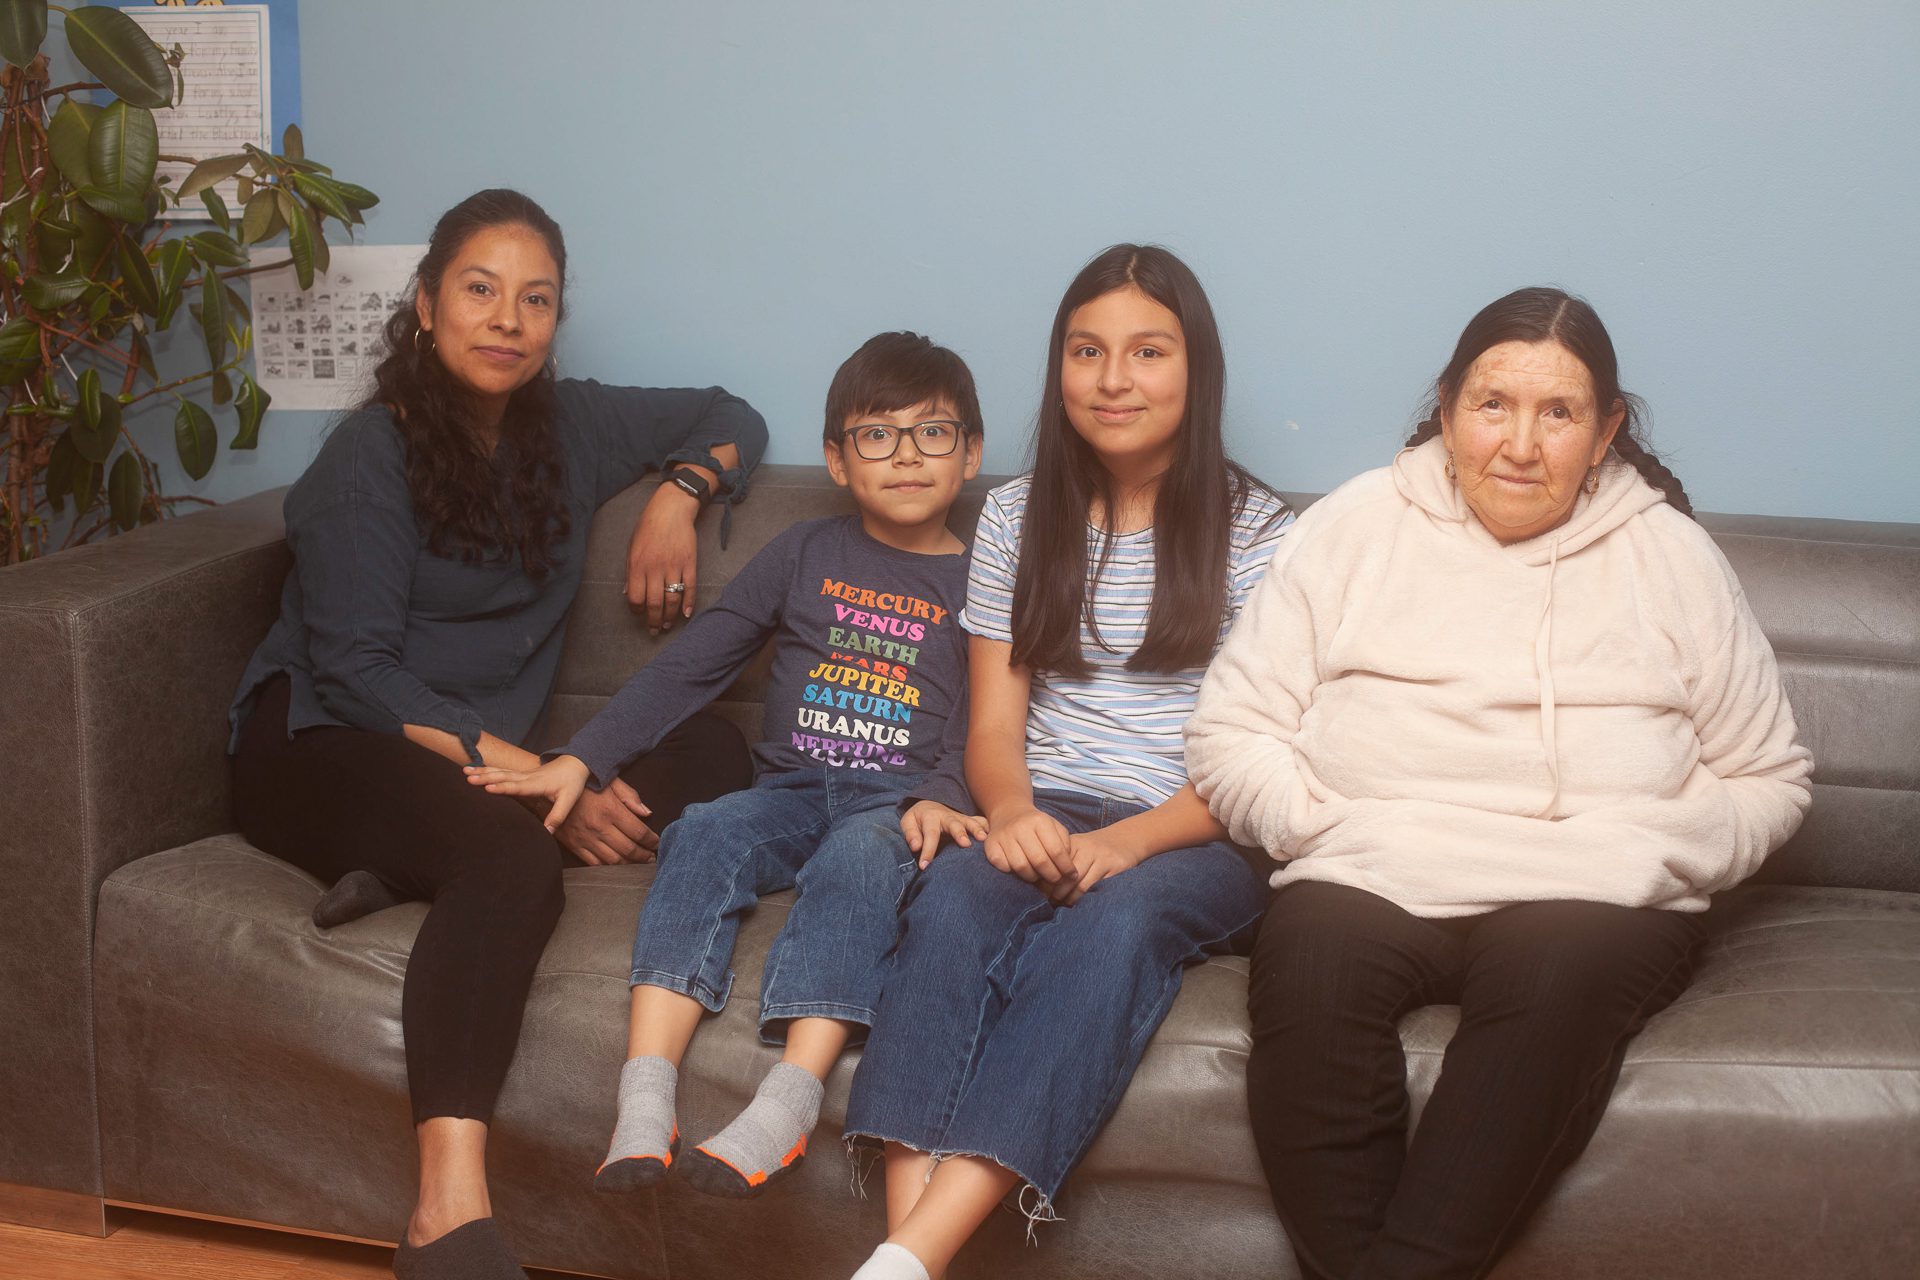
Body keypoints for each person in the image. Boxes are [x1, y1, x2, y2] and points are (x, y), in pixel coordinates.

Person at [1186, 287, 1813, 1280]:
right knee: (1311, 966)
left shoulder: (1671, 555)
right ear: (1446, 408)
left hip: (1587, 894)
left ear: (1605, 429)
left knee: (1553, 979)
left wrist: (1652, 849)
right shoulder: (1355, 525)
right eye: (1492, 405)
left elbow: (1769, 772)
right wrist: (1323, 825)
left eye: (1558, 412)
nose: (1520, 444)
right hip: (1373, 868)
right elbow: (1232, 733)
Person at [227, 189, 768, 1280]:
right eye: (480, 289)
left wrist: (680, 492)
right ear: (425, 304)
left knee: (722, 751)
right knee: (515, 856)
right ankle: (446, 1211)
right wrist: (547, 781)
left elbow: (729, 410)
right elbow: (361, 673)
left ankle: (407, 860)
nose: (507, 319)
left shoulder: (572, 428)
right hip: (321, 739)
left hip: (473, 768)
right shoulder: (364, 459)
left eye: (536, 299)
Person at [841, 245, 1293, 1280]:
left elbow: (1259, 760)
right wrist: (1009, 815)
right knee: (951, 899)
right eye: (1086, 351)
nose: (1113, 378)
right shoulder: (1013, 513)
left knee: (1115, 925)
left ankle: (908, 1257)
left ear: (1197, 368)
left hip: (1194, 824)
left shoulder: (1264, 530)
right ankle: (910, 1254)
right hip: (1049, 801)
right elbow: (995, 727)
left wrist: (1123, 846)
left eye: (1147, 351)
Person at [464, 331, 987, 1201]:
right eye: (876, 435)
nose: (905, 456)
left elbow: (987, 713)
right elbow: (696, 660)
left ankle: (788, 1099)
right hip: (785, 790)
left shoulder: (982, 578)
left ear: (969, 454)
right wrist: (584, 756)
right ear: (836, 457)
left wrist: (939, 794)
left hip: (891, 807)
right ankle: (644, 1098)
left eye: (932, 434)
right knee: (702, 827)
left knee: (858, 859)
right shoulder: (805, 553)